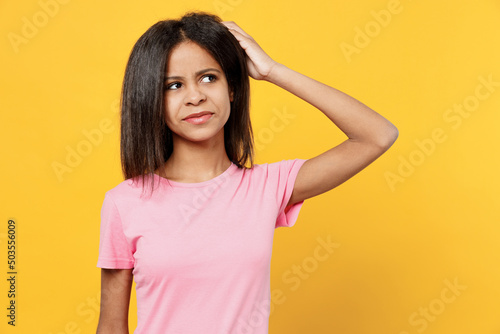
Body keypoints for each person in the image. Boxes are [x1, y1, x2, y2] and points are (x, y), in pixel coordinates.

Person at [96, 11, 398, 334]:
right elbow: (111, 327)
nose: (195, 96)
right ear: (152, 100)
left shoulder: (267, 187)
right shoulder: (124, 203)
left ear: (233, 89)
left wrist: (272, 71)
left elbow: (377, 136)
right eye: (174, 85)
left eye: (209, 78)